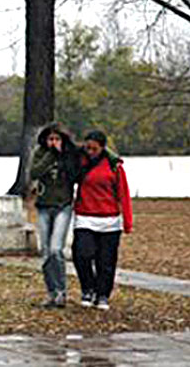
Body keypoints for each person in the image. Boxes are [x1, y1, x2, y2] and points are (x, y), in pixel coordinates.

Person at [72, 130, 133, 311]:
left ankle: (103, 294)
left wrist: (127, 222)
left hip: (109, 221)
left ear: (102, 148)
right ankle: (87, 288)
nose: (90, 151)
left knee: (106, 261)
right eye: (87, 147)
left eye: (94, 148)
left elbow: (123, 194)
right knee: (82, 254)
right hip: (85, 217)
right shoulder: (80, 161)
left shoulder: (114, 166)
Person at [30, 122, 81, 308]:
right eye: (50, 139)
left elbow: (75, 175)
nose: (53, 142)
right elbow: (33, 173)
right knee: (45, 253)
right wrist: (50, 155)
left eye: (57, 139)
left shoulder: (69, 154)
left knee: (55, 249)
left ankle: (61, 292)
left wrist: (62, 155)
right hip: (43, 206)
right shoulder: (41, 153)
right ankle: (51, 292)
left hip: (63, 206)